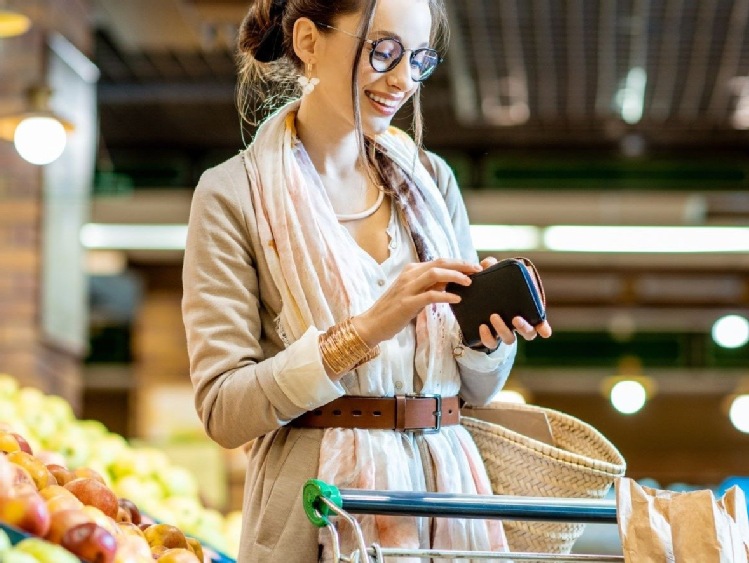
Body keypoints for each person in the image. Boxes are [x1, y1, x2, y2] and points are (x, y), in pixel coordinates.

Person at [181, 0, 553, 560]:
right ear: (308, 41)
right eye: (383, 51)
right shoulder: (233, 194)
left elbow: (475, 392)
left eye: (420, 59)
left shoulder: (431, 181)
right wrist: (367, 329)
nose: (403, 80)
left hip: (446, 503)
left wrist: (485, 339)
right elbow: (224, 410)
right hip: (316, 514)